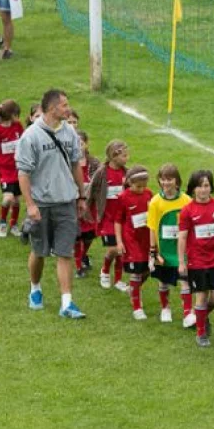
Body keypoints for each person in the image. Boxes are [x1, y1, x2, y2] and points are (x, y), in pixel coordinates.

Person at [15, 89, 87, 319]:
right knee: (40, 251)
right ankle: (35, 288)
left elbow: (76, 164)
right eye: (64, 105)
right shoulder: (31, 136)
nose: (68, 109)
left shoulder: (70, 133)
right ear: (52, 108)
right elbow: (23, 173)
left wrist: (81, 195)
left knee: (64, 252)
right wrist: (30, 205)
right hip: (42, 204)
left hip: (66, 201)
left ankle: (67, 302)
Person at [177, 169, 214, 347]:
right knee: (201, 296)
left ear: (211, 187)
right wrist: (181, 262)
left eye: (206, 185)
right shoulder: (188, 210)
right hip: (197, 260)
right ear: (193, 189)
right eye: (199, 186)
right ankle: (201, 332)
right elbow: (183, 236)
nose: (203, 190)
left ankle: (200, 316)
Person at [147, 163, 195, 325]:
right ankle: (165, 308)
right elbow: (152, 228)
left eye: (170, 179)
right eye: (163, 179)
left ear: (177, 181)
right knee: (163, 280)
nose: (166, 183)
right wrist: (153, 252)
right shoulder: (155, 202)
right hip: (164, 249)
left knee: (185, 279)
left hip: (181, 250)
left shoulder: (186, 200)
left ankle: (188, 312)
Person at [114, 166, 155, 320]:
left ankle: (134, 289)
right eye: (138, 186)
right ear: (129, 183)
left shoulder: (149, 194)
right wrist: (119, 241)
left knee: (149, 269)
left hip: (146, 238)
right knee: (136, 271)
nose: (141, 189)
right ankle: (137, 307)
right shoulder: (123, 198)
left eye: (144, 186)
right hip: (131, 240)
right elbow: (118, 221)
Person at [90, 140, 130, 293]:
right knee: (114, 249)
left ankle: (118, 279)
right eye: (124, 155)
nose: (127, 158)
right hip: (107, 219)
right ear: (114, 156)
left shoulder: (126, 173)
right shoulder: (102, 173)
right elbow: (92, 192)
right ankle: (105, 271)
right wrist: (90, 211)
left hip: (122, 220)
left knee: (122, 249)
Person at [0, 100, 25, 237]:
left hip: (18, 168)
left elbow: (24, 142)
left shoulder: (18, 126)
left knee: (16, 200)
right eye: (17, 114)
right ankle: (2, 222)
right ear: (11, 114)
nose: (18, 117)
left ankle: (14, 224)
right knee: (8, 198)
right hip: (4, 170)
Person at [74, 130, 101, 275]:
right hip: (74, 203)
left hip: (90, 205)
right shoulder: (69, 162)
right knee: (77, 235)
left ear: (86, 144)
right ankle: (78, 265)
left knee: (90, 234)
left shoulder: (94, 162)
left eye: (81, 143)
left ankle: (84, 254)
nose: (79, 146)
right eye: (75, 143)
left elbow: (100, 181)